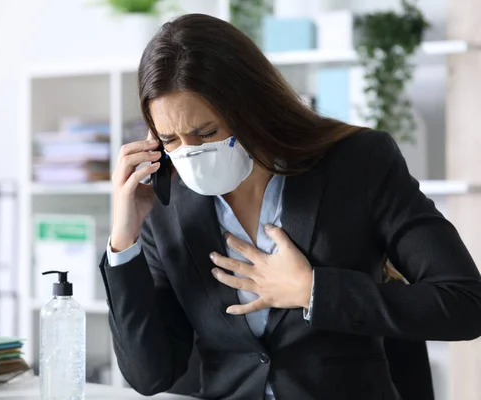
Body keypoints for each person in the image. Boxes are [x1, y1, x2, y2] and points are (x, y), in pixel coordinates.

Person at [98, 13, 481, 400]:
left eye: (207, 132)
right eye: (170, 139)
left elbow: (464, 303)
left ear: (251, 107)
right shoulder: (167, 206)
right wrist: (123, 239)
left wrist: (313, 291)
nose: (191, 152)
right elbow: (149, 377)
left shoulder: (359, 163)